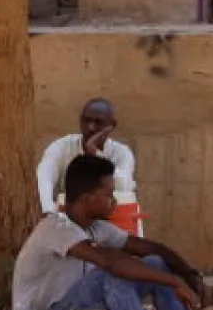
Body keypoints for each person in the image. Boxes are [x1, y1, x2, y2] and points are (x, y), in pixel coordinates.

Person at [9, 155, 213, 310]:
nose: (114, 202)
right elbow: (109, 263)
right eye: (109, 194)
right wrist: (175, 281)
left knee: (155, 263)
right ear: (87, 198)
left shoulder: (96, 228)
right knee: (109, 278)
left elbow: (153, 249)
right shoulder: (54, 228)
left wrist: (190, 274)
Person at [36, 97, 144, 235]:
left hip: (112, 220)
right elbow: (44, 176)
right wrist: (49, 211)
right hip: (70, 222)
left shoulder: (122, 152)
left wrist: (95, 154)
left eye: (98, 123)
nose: (91, 127)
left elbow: (125, 186)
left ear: (111, 125)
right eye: (86, 121)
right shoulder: (62, 147)